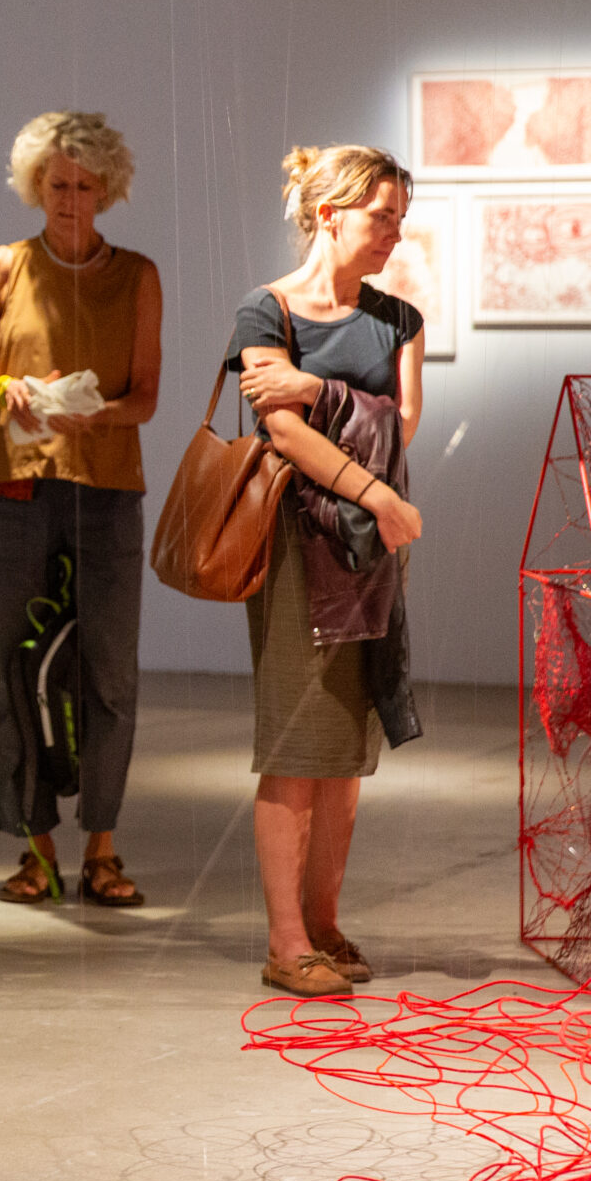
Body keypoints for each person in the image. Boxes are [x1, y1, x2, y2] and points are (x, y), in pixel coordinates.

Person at [225, 144, 425, 998]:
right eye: (382, 216)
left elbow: (403, 422)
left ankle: (324, 923)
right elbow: (278, 431)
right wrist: (374, 491)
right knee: (296, 741)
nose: (394, 233)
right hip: (297, 545)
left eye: (401, 219)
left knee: (345, 748)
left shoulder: (399, 319)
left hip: (367, 549)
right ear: (331, 213)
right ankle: (285, 940)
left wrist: (317, 392)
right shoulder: (265, 311)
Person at [0, 112, 161, 908]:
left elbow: (146, 398)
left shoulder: (137, 276)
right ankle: (34, 849)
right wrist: (8, 391)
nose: (68, 198)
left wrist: (94, 415)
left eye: (83, 185)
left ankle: (102, 846)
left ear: (107, 190)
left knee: (110, 671)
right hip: (16, 487)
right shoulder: (1, 268)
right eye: (56, 183)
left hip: (108, 488)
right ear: (35, 184)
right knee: (9, 668)